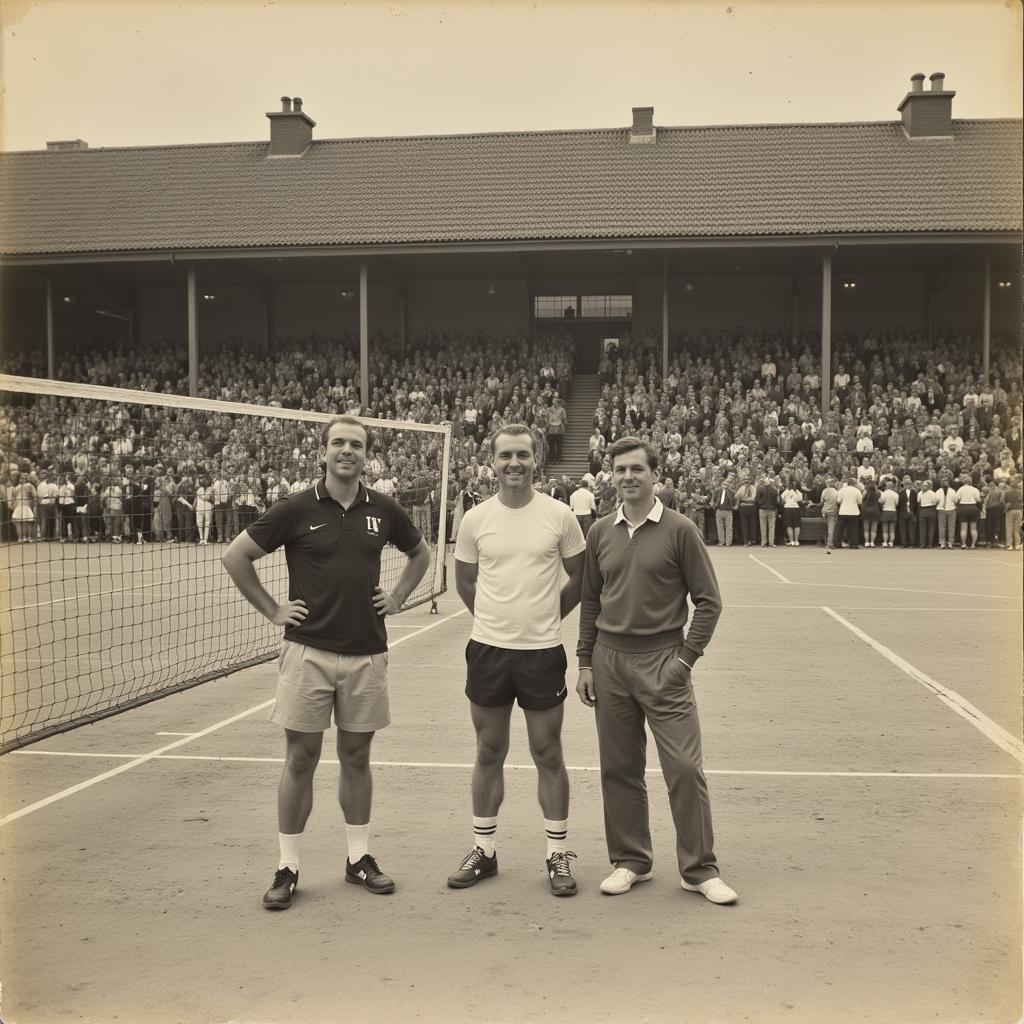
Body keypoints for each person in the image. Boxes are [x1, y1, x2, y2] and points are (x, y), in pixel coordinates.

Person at [222, 414, 431, 910]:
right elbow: (236, 556)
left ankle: (358, 859)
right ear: (323, 452)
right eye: (338, 443)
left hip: (366, 652)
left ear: (366, 455)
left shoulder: (384, 508)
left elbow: (420, 555)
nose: (346, 451)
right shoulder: (295, 508)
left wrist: (398, 596)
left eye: (356, 445)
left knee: (357, 758)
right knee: (301, 759)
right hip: (308, 652)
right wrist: (273, 609)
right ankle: (287, 866)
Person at [576, 436, 737, 904]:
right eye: (620, 470)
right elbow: (590, 600)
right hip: (609, 662)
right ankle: (631, 861)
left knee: (685, 768)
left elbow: (709, 602)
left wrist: (685, 660)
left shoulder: (681, 529)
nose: (628, 477)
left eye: (637, 470)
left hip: (665, 661)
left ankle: (699, 869)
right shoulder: (600, 531)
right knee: (619, 768)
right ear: (612, 476)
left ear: (654, 475)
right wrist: (584, 661)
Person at [449, 424, 586, 896]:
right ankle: (484, 851)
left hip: (542, 653)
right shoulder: (475, 519)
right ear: (493, 461)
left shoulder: (560, 515)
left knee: (548, 752)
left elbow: (580, 578)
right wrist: (492, 620)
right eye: (505, 455)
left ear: (536, 459)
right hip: (487, 651)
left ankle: (556, 854)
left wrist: (548, 616)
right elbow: (465, 581)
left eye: (522, 455)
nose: (514, 463)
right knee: (489, 751)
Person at [954, 475, 982, 550]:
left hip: (963, 507)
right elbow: (978, 500)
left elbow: (956, 500)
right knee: (973, 528)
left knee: (963, 528)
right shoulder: (975, 489)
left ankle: (963, 544)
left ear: (963, 482)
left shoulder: (960, 489)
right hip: (973, 507)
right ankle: (973, 544)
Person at [836, 475, 863, 549]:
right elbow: (860, 502)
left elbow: (838, 501)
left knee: (840, 528)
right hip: (854, 512)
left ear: (847, 483)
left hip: (843, 511)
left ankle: (838, 543)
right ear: (854, 484)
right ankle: (854, 544)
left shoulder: (842, 490)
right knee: (854, 528)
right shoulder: (857, 491)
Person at [755, 473, 779, 548]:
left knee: (763, 526)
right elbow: (777, 501)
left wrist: (760, 505)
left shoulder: (760, 489)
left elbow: (756, 499)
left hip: (762, 509)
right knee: (772, 527)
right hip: (772, 510)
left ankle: (763, 542)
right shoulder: (774, 490)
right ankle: (771, 543)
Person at [896, 475, 918, 549]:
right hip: (902, 513)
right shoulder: (900, 493)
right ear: (904, 485)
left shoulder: (915, 493)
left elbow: (916, 504)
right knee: (903, 529)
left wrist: (914, 513)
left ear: (911, 485)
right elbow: (898, 504)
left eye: (909, 484)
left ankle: (912, 543)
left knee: (912, 529)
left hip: (912, 513)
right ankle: (903, 543)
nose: (907, 485)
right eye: (906, 484)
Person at [878, 480, 899, 548]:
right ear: (892, 486)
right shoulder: (895, 494)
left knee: (885, 529)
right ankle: (891, 542)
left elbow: (880, 501)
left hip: (885, 511)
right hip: (893, 511)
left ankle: (885, 542)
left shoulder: (884, 493)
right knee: (892, 529)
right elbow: (897, 503)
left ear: (886, 486)